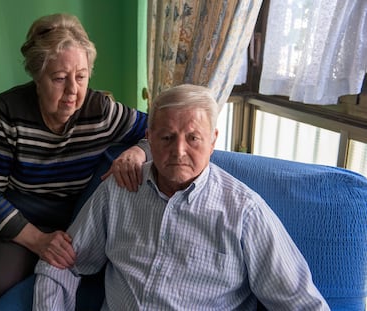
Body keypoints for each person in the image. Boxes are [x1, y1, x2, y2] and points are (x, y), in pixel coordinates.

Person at [33, 84, 330, 310]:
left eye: (193, 138)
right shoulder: (119, 189)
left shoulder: (245, 213)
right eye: (166, 137)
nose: (178, 151)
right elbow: (60, 262)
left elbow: (302, 302)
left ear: (213, 140)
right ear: (149, 137)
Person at [0, 13, 149, 310]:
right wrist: (38, 241)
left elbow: (158, 129)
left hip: (52, 222)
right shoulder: (8, 109)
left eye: (81, 76)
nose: (73, 91)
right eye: (59, 78)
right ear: (37, 77)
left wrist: (139, 151)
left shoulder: (100, 110)